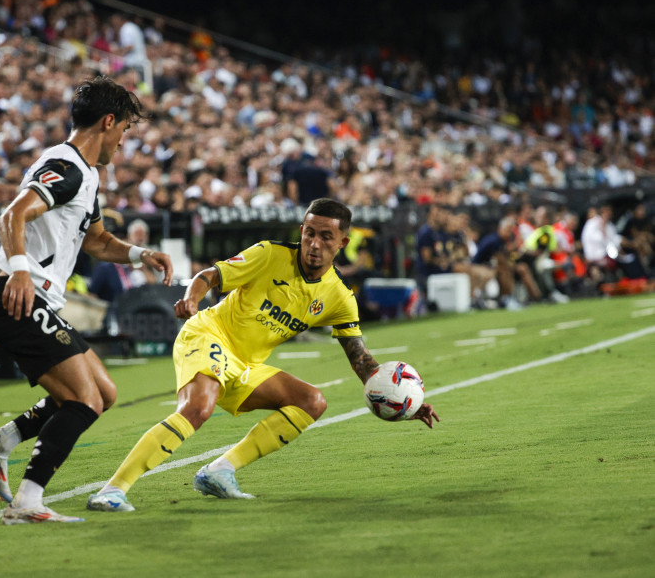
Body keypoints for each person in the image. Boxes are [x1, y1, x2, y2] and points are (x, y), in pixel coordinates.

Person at [86, 198, 439, 513]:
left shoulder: (339, 296)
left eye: (326, 237)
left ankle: (219, 471)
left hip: (245, 364)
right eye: (310, 233)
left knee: (312, 402)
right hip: (209, 335)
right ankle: (113, 490)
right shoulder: (270, 254)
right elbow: (210, 275)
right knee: (198, 407)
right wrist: (192, 298)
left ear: (343, 243)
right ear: (302, 230)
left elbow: (360, 359)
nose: (314, 244)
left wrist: (402, 402)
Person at [0, 76, 173, 524]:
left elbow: (97, 240)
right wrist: (20, 269)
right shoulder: (68, 165)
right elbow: (13, 213)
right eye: (124, 130)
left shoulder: (87, 175)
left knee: (105, 392)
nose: (123, 140)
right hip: (19, 298)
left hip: (35, 301)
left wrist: (140, 255)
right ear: (108, 121)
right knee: (85, 400)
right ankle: (27, 500)